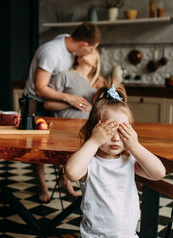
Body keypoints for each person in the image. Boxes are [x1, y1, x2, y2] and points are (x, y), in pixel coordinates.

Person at [64, 81, 166, 238]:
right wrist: (94, 142)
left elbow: (158, 173)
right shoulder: (90, 162)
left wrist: (134, 145)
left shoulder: (130, 161)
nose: (116, 137)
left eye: (122, 130)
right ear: (94, 130)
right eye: (109, 130)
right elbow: (71, 172)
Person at [24, 22, 102, 203]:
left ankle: (63, 181)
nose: (92, 54)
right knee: (39, 149)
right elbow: (41, 88)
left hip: (53, 101)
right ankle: (42, 184)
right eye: (91, 50)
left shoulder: (68, 43)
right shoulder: (51, 52)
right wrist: (70, 98)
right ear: (83, 45)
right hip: (34, 103)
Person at [44, 49, 101, 119]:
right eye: (87, 50)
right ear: (78, 58)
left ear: (95, 64)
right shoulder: (65, 76)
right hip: (66, 124)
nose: (88, 51)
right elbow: (47, 105)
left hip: (89, 126)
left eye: (92, 52)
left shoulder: (97, 84)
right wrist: (71, 103)